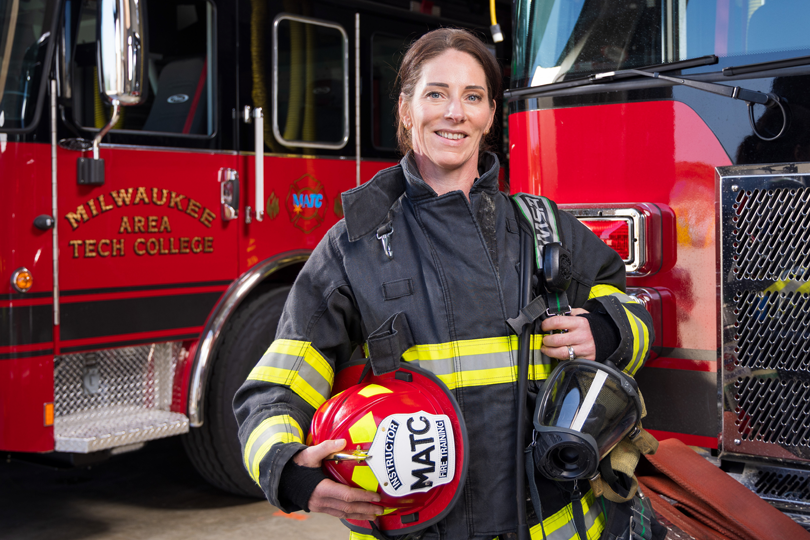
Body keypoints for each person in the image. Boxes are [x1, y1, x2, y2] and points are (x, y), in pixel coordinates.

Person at [234, 28, 656, 540]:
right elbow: (275, 390)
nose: (455, 112)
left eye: (472, 97)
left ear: (490, 115)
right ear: (407, 109)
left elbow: (630, 305)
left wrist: (608, 333)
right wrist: (290, 470)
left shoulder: (542, 226)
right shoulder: (353, 248)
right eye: (436, 93)